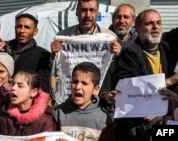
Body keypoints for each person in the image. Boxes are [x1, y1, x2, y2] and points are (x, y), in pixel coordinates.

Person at [113, 9, 171, 141]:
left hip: (163, 122)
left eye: (158, 23)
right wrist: (170, 81)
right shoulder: (129, 55)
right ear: (138, 29)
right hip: (137, 128)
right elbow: (130, 89)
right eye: (149, 23)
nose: (155, 27)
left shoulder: (166, 49)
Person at [50, 0, 121, 105]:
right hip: (71, 99)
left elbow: (115, 71)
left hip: (100, 100)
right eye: (83, 10)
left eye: (92, 10)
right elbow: (56, 70)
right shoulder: (64, 36)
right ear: (77, 12)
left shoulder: (109, 37)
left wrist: (119, 55)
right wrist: (53, 55)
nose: (88, 15)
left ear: (97, 13)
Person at [54, 62, 113, 141]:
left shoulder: (103, 119)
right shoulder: (58, 113)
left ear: (96, 89)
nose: (78, 87)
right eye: (75, 82)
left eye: (84, 83)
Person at [0, 70, 58, 135]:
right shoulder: (4, 113)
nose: (13, 88)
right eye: (13, 84)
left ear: (33, 92)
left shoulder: (45, 119)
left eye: (20, 86)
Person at [5, 13, 51, 93]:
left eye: (27, 27)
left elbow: (45, 85)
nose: (22, 31)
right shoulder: (2, 50)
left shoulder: (43, 55)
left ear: (35, 31)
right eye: (19, 26)